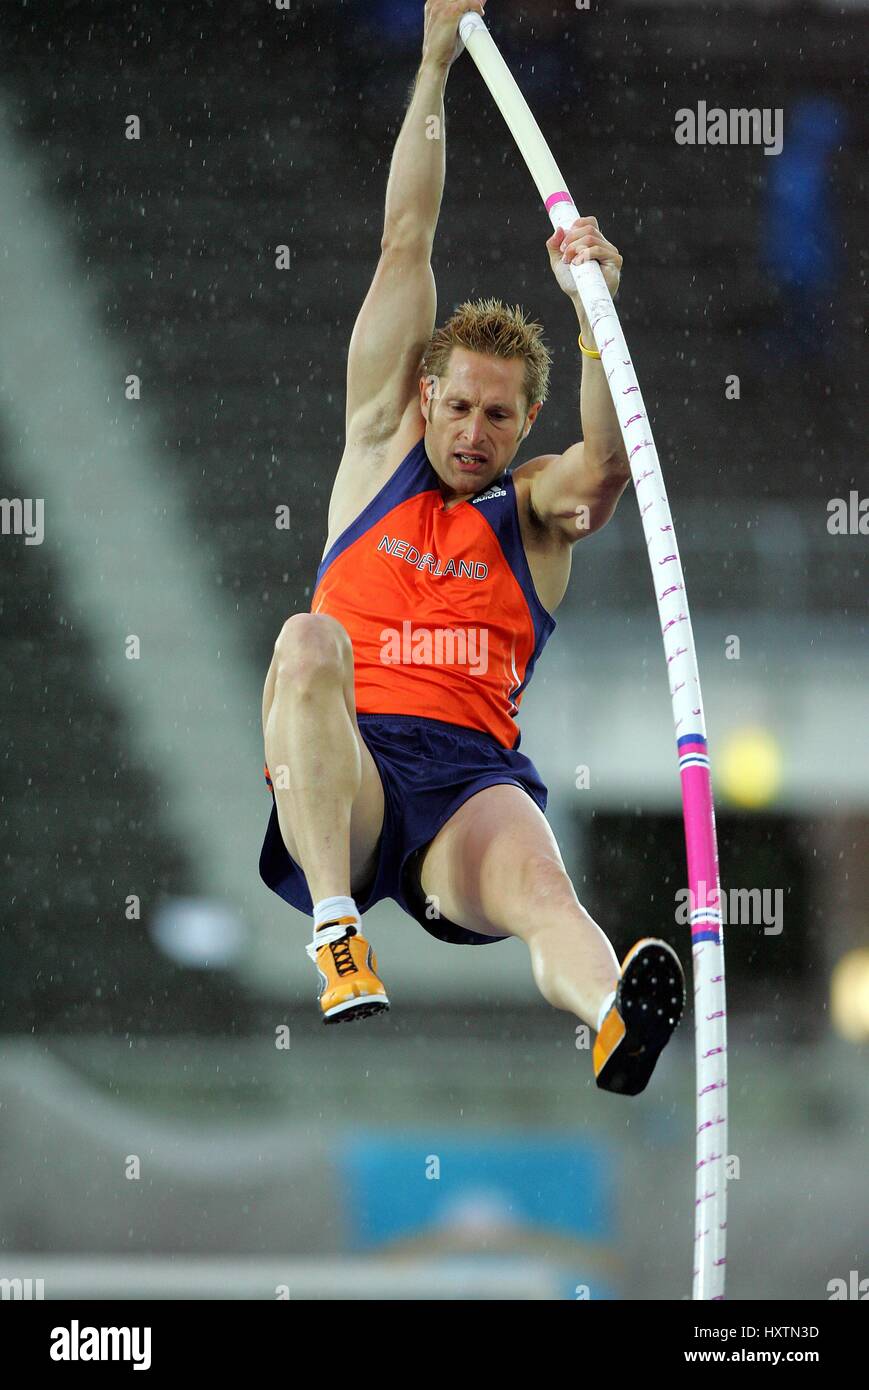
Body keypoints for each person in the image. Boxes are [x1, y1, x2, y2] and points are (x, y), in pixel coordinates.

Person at [259, 0, 684, 1096]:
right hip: (346, 775)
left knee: (548, 893)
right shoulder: (373, 447)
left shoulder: (534, 512)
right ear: (424, 394)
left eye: (499, 417)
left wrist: (597, 319)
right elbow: (407, 236)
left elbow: (609, 456)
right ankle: (336, 930)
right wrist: (435, 64)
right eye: (458, 407)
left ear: (521, 424)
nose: (473, 431)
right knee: (306, 641)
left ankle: (609, 1018)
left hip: (463, 784)